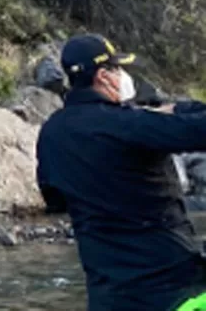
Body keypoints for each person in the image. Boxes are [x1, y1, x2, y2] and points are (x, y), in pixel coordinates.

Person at [37, 34, 206, 311]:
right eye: (118, 69)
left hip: (108, 296)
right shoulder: (129, 126)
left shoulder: (51, 133)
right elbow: (198, 131)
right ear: (104, 76)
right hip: (171, 290)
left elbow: (53, 199)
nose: (124, 76)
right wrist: (179, 109)